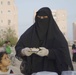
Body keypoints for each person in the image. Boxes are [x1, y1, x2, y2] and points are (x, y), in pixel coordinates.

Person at [15, 7, 73, 75]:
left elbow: (63, 53)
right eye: (39, 17)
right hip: (33, 71)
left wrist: (48, 52)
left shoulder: (56, 36)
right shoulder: (29, 33)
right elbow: (18, 47)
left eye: (44, 17)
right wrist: (23, 51)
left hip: (53, 71)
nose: (41, 19)